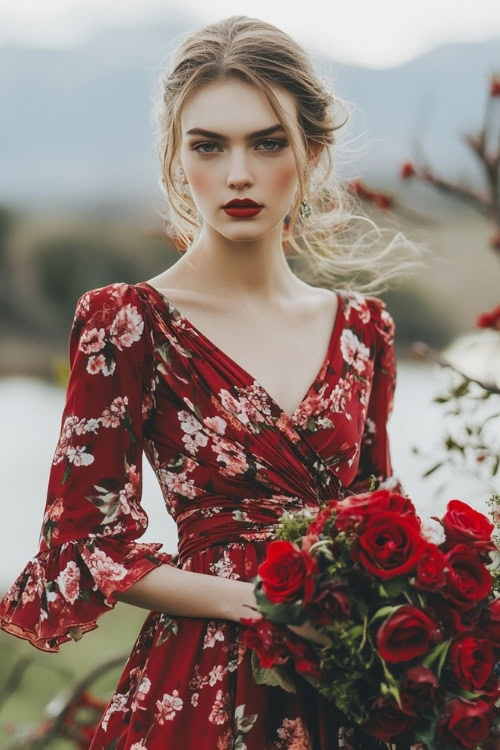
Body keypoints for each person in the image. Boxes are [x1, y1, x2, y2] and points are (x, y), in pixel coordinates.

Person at [0, 15, 425, 750]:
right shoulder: (126, 322)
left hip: (344, 690)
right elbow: (86, 541)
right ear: (175, 157)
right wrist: (255, 603)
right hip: (205, 684)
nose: (238, 174)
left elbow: (376, 521)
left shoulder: (364, 333)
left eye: (267, 143)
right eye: (208, 145)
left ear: (311, 151)